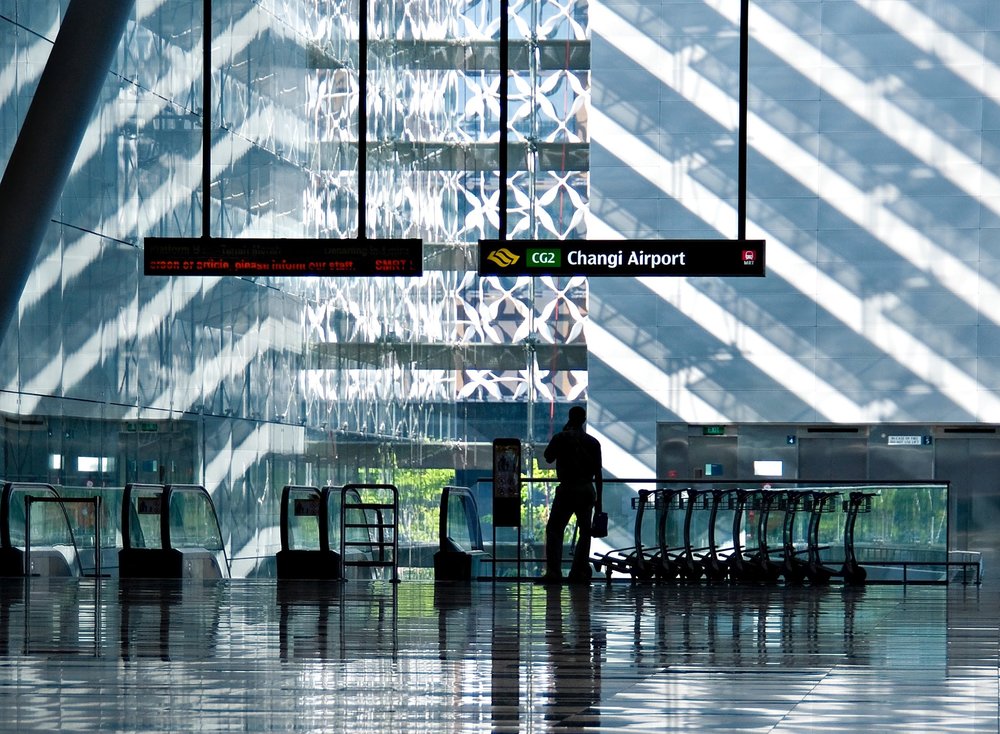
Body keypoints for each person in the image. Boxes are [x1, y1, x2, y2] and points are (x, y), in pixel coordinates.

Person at [539, 405, 603, 583]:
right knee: (585, 532)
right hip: (586, 490)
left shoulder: (561, 438)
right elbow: (598, 474)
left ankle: (554, 572)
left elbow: (548, 457)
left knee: (554, 529)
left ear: (569, 417)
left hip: (567, 489)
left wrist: (563, 433)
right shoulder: (593, 442)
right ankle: (578, 572)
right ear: (584, 420)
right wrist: (599, 501)